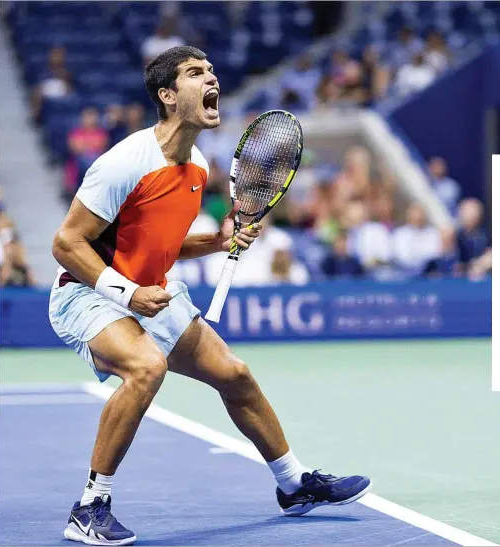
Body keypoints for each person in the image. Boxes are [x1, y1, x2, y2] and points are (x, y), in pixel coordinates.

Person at [49, 46, 371, 546]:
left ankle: (293, 484)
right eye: (196, 73)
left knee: (235, 375)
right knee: (146, 367)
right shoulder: (124, 162)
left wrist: (219, 242)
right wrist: (127, 292)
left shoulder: (197, 167)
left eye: (212, 70)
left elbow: (165, 244)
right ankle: (89, 507)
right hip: (88, 292)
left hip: (148, 291)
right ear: (168, 95)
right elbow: (67, 243)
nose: (211, 77)